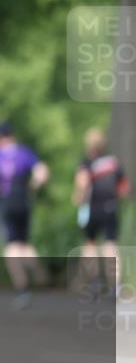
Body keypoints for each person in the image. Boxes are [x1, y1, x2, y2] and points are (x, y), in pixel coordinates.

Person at [0, 122, 50, 310]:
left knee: (11, 247)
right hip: (24, 201)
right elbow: (42, 172)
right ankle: (38, 271)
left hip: (7, 201)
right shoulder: (24, 153)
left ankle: (22, 289)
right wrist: (33, 185)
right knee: (24, 242)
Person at [72, 127, 129, 298]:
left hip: (92, 209)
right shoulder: (113, 162)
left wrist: (78, 199)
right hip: (110, 208)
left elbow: (82, 184)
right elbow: (124, 188)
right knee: (111, 245)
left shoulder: (86, 163)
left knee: (90, 244)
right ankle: (116, 286)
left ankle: (95, 283)